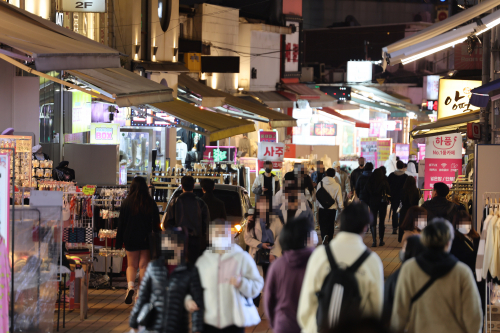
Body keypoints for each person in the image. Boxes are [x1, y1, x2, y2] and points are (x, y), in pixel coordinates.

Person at [298, 203, 384, 333]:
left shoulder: (319, 255)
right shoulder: (372, 261)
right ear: (365, 227)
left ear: (340, 223)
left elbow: (306, 303)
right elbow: (376, 309)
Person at [390, 219, 483, 333]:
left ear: (424, 241)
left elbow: (399, 313)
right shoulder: (462, 272)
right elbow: (473, 317)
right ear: (449, 242)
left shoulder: (409, 269)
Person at [191, 219, 264, 333]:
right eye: (216, 234)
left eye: (223, 234)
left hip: (234, 319)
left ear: (231, 236)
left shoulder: (242, 257)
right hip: (209, 319)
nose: (220, 238)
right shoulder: (203, 261)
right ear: (210, 237)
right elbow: (194, 287)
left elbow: (257, 284)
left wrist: (241, 283)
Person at [130, 228, 204, 333]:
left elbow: (198, 303)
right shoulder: (153, 267)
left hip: (177, 327)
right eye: (166, 243)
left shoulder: (189, 271)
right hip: (153, 327)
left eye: (172, 243)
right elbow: (143, 297)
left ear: (181, 246)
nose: (168, 246)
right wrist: (134, 323)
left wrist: (197, 328)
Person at [264, 217, 315, 333]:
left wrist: (275, 323)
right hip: (311, 326)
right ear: (307, 239)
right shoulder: (317, 263)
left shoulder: (277, 266)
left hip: (284, 325)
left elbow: (268, 300)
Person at [116, 176, 161, 304]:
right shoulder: (150, 202)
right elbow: (156, 222)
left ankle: (130, 287)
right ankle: (140, 294)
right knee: (143, 266)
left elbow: (121, 224)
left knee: (131, 265)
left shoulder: (126, 202)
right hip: (146, 238)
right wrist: (157, 236)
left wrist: (119, 241)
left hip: (130, 237)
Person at [244, 195, 282, 306]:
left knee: (272, 281)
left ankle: (272, 305)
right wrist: (260, 245)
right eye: (261, 204)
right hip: (258, 253)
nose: (263, 207)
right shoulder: (251, 220)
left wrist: (273, 253)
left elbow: (280, 236)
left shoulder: (275, 219)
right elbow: (247, 238)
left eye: (265, 204)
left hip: (272, 253)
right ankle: (253, 305)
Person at [164, 175, 210, 264]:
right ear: (193, 186)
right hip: (195, 240)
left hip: (178, 239)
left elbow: (168, 223)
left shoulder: (175, 202)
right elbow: (206, 223)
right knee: (193, 264)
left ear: (181, 186)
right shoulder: (200, 203)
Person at [382, 235, 425, 327]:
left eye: (405, 248)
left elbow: (386, 306)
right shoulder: (429, 273)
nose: (402, 251)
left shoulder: (396, 277)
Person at [316, 168, 343, 244]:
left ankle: (324, 237)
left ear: (326, 174)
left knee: (323, 224)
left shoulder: (320, 183)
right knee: (331, 225)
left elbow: (317, 196)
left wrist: (318, 206)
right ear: (334, 175)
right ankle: (330, 240)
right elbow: (339, 198)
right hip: (332, 209)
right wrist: (341, 207)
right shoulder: (337, 185)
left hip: (322, 208)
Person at [364, 168, 390, 247]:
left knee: (373, 222)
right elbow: (389, 190)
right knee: (382, 221)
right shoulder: (384, 180)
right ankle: (381, 240)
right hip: (382, 203)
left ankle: (374, 241)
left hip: (373, 202)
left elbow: (366, 191)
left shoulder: (370, 180)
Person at [387, 160, 408, 235]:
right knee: (403, 212)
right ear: (403, 166)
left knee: (395, 212)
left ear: (396, 166)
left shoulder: (392, 175)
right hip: (403, 197)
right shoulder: (406, 176)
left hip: (394, 196)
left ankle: (394, 228)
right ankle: (402, 227)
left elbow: (388, 186)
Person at [399, 177, 421, 242]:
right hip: (413, 210)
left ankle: (401, 238)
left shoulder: (402, 190)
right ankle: (412, 239)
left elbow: (401, 200)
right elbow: (417, 201)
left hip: (404, 209)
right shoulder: (416, 190)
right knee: (413, 225)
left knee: (403, 224)